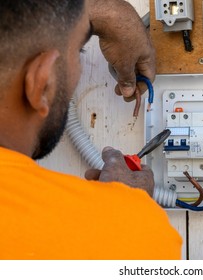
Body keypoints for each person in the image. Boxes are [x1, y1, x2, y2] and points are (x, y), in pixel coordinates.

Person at [0, 0, 182, 259]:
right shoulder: (132, 234)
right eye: (79, 52)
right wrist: (126, 209)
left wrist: (103, 10)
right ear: (43, 81)